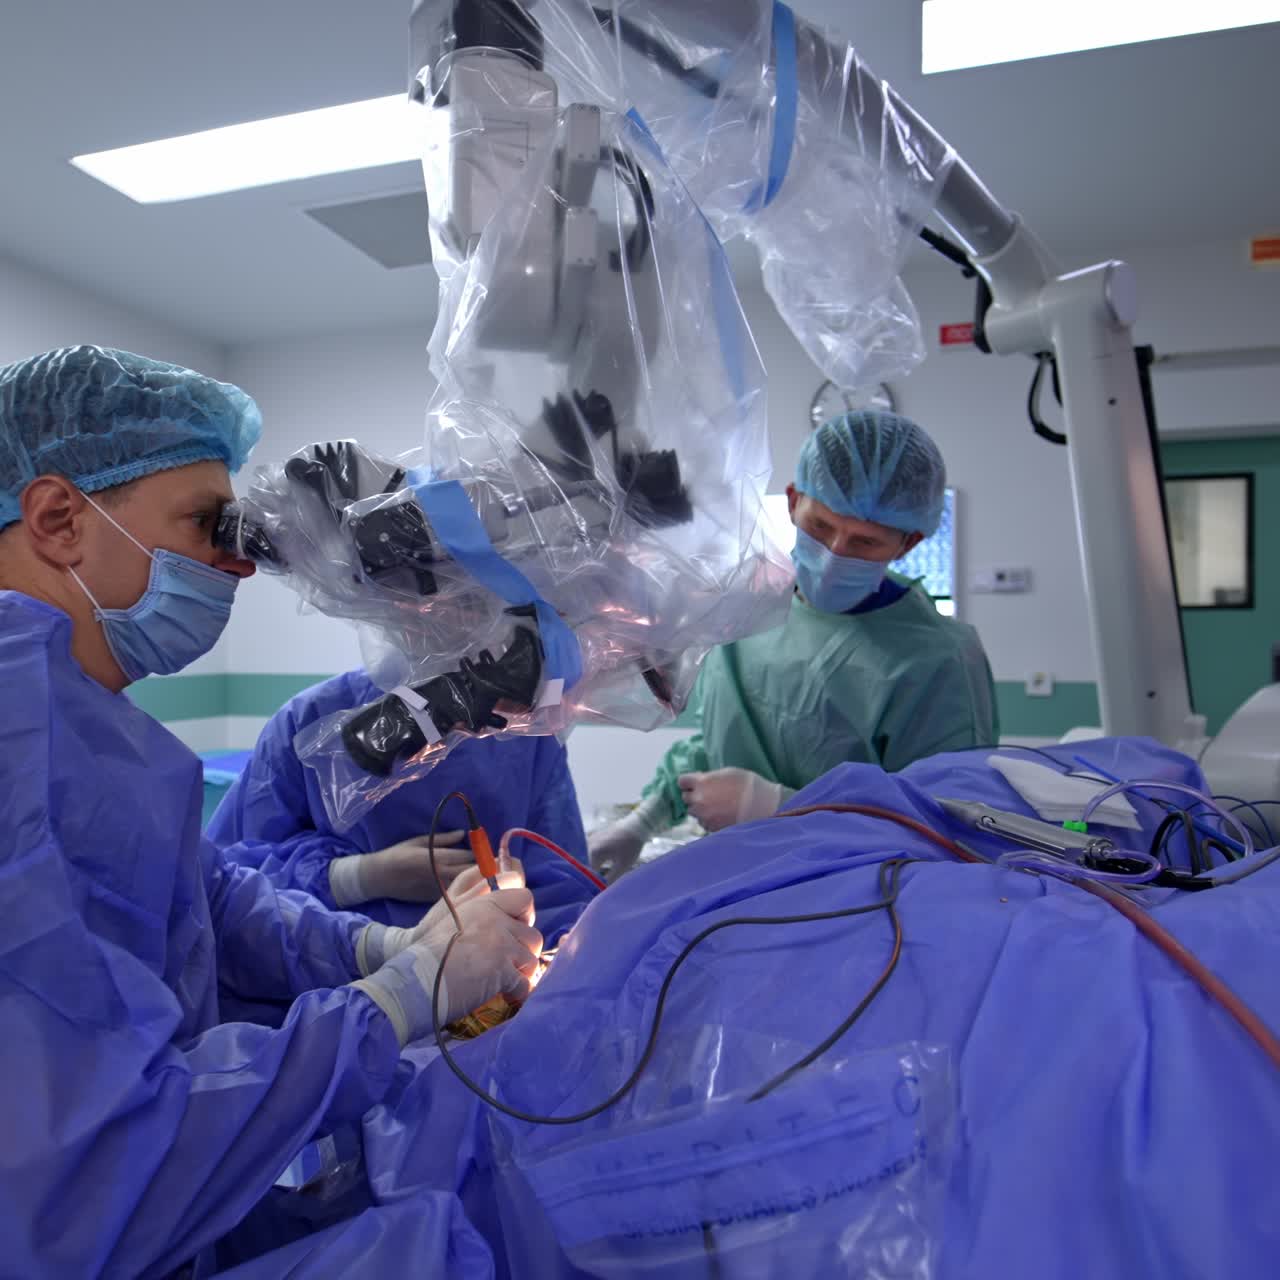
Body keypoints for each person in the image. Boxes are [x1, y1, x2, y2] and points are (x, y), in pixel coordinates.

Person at [0, 346, 541, 1275]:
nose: (238, 566)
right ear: (58, 519)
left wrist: (382, 951)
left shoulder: (85, 720)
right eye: (211, 526)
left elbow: (206, 904)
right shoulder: (20, 734)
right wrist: (399, 1001)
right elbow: (84, 1172)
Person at [589, 410, 999, 879]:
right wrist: (646, 820)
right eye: (821, 527)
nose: (834, 555)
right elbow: (719, 743)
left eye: (865, 543)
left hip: (857, 901)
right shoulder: (748, 608)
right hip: (734, 878)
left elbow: (944, 825)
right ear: (792, 501)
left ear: (908, 544)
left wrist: (783, 807)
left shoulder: (940, 661)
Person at [208, 670, 593, 947]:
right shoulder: (311, 720)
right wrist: (359, 878)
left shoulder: (527, 737)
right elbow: (226, 887)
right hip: (333, 1000)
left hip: (493, 1005)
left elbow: (563, 891)